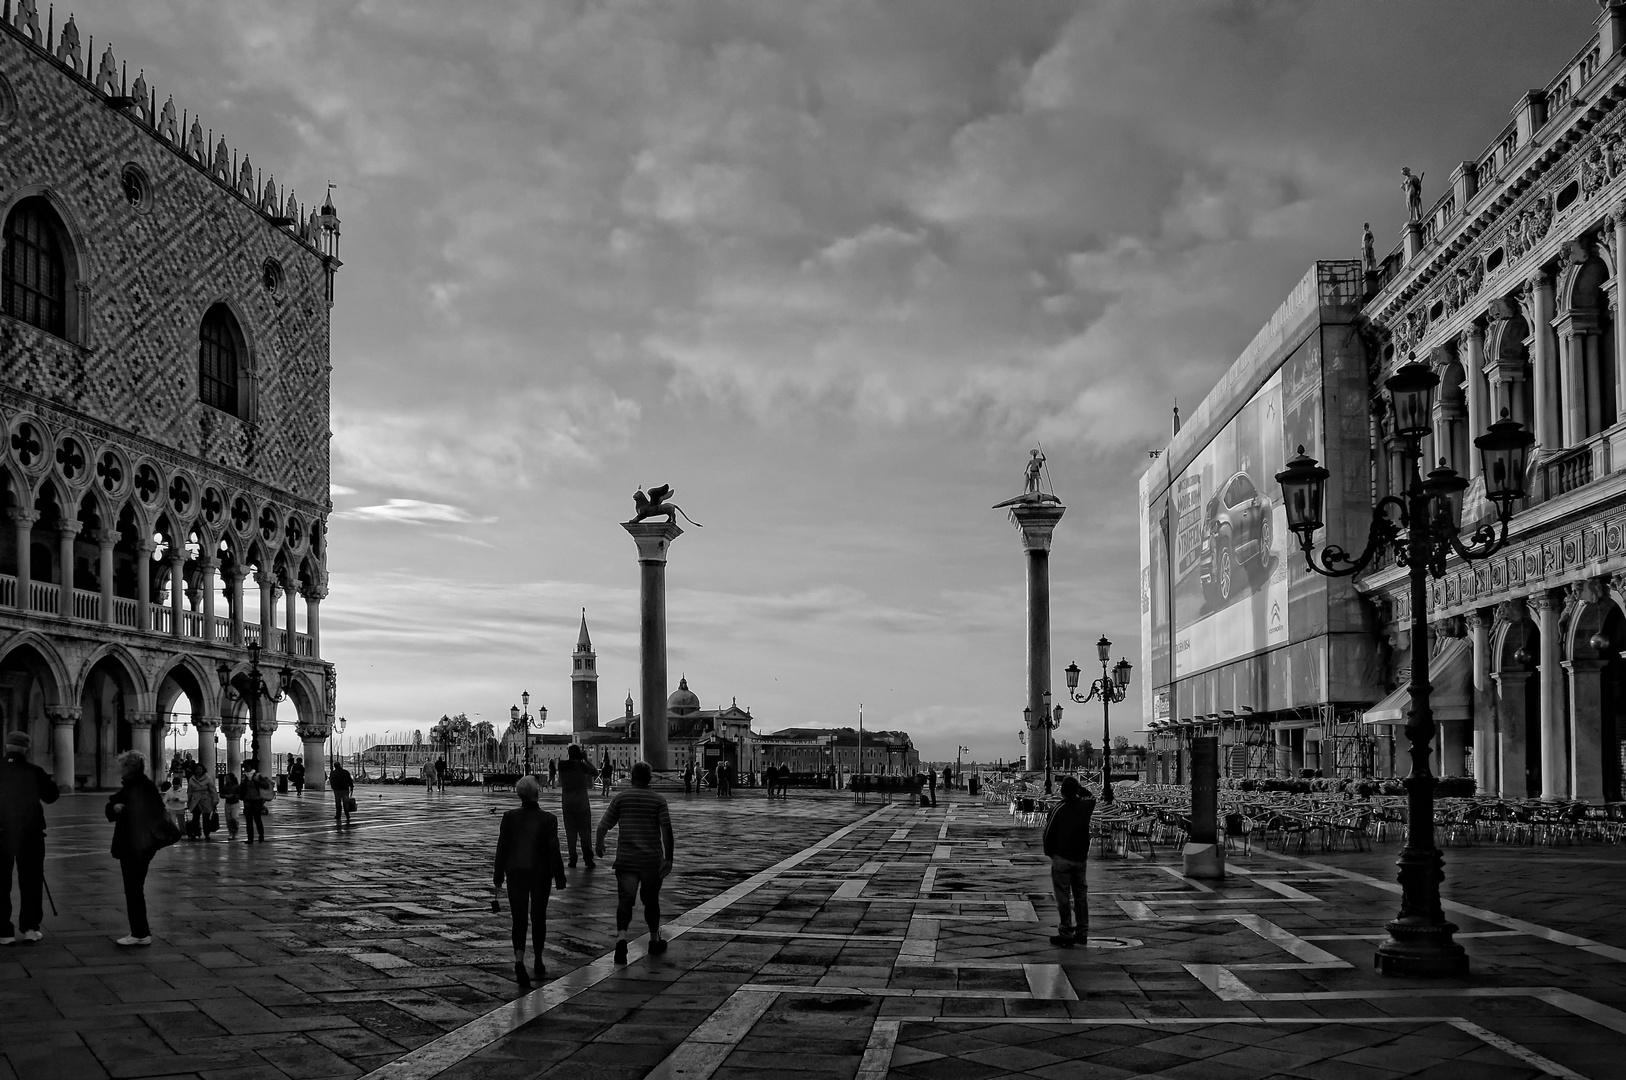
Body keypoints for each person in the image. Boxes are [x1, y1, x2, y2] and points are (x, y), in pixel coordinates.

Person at [595, 761, 674, 964]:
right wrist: (668, 858)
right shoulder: (658, 800)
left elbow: (603, 826)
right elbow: (666, 830)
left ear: (631, 777)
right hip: (651, 861)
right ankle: (654, 940)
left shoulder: (621, 798)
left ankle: (621, 938)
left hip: (626, 861)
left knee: (625, 901)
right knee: (651, 901)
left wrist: (599, 844)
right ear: (649, 779)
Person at [493, 776, 567, 987]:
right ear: (537, 793)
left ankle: (518, 959)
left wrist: (498, 875)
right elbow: (554, 849)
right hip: (540, 873)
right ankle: (538, 959)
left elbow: (502, 848)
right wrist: (559, 876)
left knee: (519, 919)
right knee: (538, 917)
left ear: (519, 795)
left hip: (515, 872)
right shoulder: (549, 819)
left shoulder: (509, 817)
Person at [0, 730, 60, 945]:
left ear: (6, 747)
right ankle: (30, 928)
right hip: (31, 834)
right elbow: (51, 796)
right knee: (31, 880)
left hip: (1, 833)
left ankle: (3, 932)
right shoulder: (34, 771)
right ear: (26, 749)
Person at [107, 751, 168, 946]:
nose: (119, 770)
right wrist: (116, 808)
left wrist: (123, 809)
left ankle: (140, 933)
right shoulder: (137, 786)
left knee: (134, 889)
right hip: (136, 844)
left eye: (122, 766)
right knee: (134, 888)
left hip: (137, 845)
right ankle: (139, 931)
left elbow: (149, 812)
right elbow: (111, 805)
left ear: (129, 768)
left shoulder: (141, 787)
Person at [1042, 776, 1096, 948]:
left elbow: (1048, 834)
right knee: (1081, 896)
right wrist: (1079, 789)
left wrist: (1050, 853)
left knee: (1063, 897)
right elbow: (1092, 797)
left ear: (1062, 791)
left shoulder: (1058, 808)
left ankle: (1066, 931)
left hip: (1062, 858)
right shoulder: (1085, 807)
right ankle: (1082, 931)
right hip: (1080, 858)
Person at [556, 745, 598, 868]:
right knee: (585, 832)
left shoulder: (562, 765)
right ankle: (588, 858)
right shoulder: (581, 766)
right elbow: (595, 772)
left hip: (567, 804)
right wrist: (585, 759)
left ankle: (572, 858)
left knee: (570, 833)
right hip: (582, 804)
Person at [240, 760, 270, 843]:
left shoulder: (257, 775)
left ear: (250, 766)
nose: (244, 768)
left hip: (257, 799)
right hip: (247, 799)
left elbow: (266, 785)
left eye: (246, 766)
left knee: (257, 818)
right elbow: (242, 788)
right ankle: (250, 838)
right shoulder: (244, 777)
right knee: (248, 820)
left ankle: (261, 836)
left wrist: (256, 781)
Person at [186, 762, 218, 841]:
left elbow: (212, 789)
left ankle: (207, 833)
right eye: (197, 769)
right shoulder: (192, 779)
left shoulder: (208, 778)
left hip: (205, 799)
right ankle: (196, 832)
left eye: (200, 769)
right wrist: (188, 800)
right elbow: (189, 791)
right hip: (195, 799)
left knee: (206, 817)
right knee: (195, 817)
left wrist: (215, 799)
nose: (199, 771)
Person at [218, 769, 241, 840]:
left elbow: (239, 795)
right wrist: (225, 796)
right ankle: (231, 832)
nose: (226, 780)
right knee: (228, 819)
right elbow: (221, 794)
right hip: (227, 803)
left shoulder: (237, 786)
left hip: (235, 803)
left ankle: (236, 831)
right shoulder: (225, 786)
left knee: (234, 818)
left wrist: (233, 795)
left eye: (227, 778)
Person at [331, 759, 355, 827]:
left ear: (334, 766)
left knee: (338, 803)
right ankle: (347, 814)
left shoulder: (333, 773)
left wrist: (333, 787)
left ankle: (338, 815)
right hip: (344, 789)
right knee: (346, 802)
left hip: (337, 790)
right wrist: (351, 786)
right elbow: (349, 780)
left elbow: (331, 781)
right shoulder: (345, 772)